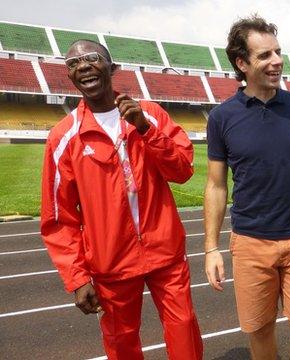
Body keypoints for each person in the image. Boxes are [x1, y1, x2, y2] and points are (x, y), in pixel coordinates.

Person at [40, 39, 203, 360]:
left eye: (91, 58)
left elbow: (183, 170)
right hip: (110, 262)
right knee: (121, 343)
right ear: (70, 77)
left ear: (111, 68)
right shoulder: (64, 136)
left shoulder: (150, 114)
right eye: (73, 63)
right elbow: (59, 219)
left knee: (184, 329)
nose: (83, 66)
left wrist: (145, 129)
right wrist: (77, 277)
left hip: (165, 253)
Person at [203, 15, 290, 360]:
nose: (277, 61)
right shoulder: (221, 118)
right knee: (260, 332)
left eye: (278, 52)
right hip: (249, 242)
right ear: (242, 63)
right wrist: (211, 248)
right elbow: (216, 185)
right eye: (265, 56)